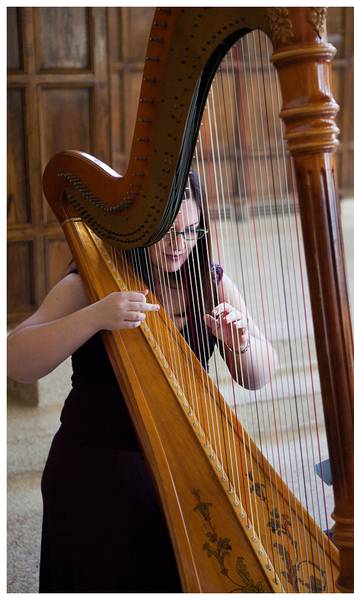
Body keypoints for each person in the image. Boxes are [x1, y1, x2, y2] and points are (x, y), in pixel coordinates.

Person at [6, 171, 276, 592]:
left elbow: (259, 376)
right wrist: (95, 316)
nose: (178, 245)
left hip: (178, 456)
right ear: (141, 226)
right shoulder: (89, 280)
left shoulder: (210, 281)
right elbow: (15, 360)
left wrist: (241, 344)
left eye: (190, 231)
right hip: (95, 461)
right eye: (167, 233)